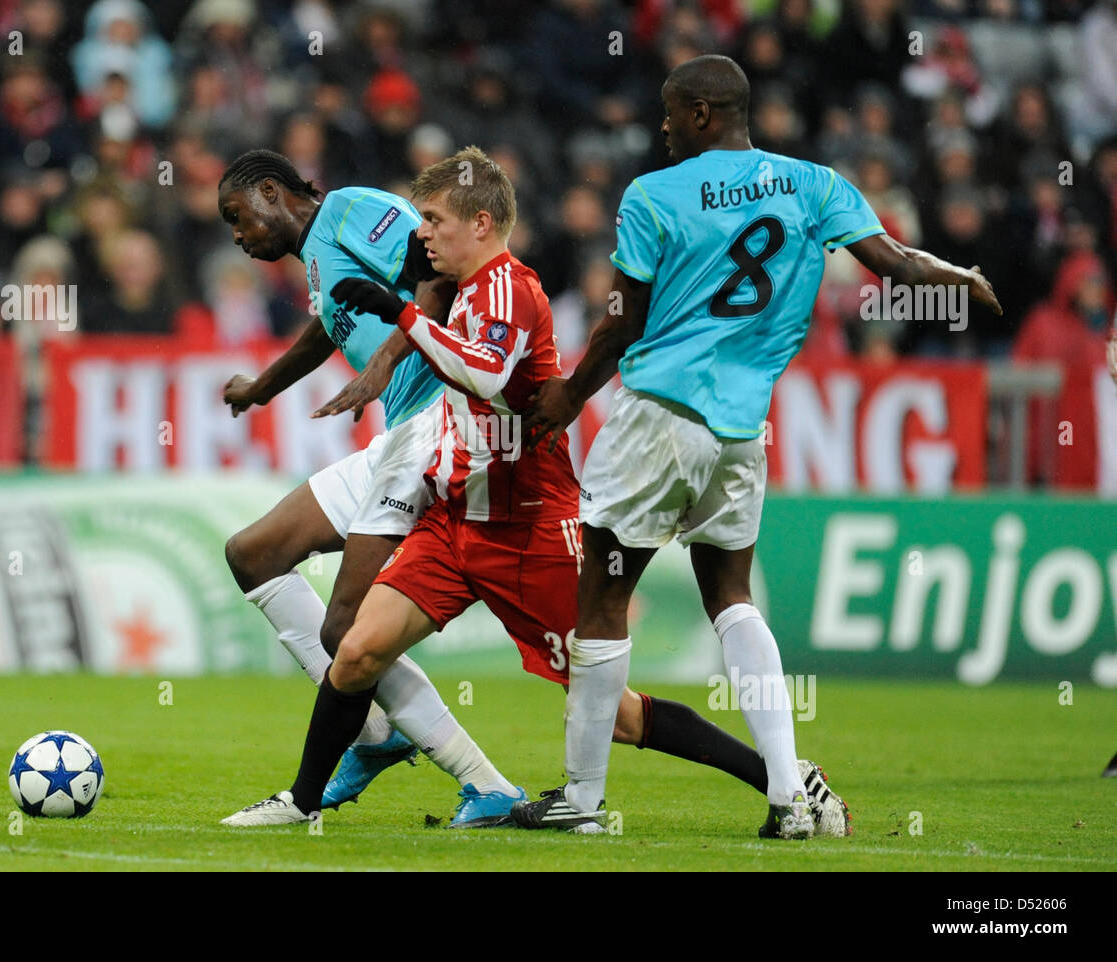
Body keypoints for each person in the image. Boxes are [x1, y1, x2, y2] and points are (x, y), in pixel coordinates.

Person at [215, 147, 851, 835]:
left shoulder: (456, 264)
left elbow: (452, 327)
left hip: (512, 513)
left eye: (432, 219)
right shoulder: (329, 264)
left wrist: (393, 347)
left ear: (478, 223)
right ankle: (326, 792)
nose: (422, 231)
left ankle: (785, 779)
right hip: (455, 495)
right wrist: (265, 387)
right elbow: (350, 318)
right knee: (344, 635)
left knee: (616, 712)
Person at [517, 55, 1001, 838]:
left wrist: (571, 394)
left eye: (674, 112)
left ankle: (581, 798)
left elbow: (624, 320)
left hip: (658, 419)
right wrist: (961, 278)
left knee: (602, 599)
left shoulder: (653, 194)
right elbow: (897, 266)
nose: (664, 126)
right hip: (741, 432)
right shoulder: (813, 183)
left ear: (705, 112)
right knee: (730, 597)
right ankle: (788, 794)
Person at [214, 150, 526, 828]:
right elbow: (330, 328)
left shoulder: (356, 210)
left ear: (272, 191)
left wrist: (383, 364)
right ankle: (377, 736)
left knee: (346, 630)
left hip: (434, 428)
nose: (238, 237)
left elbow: (432, 280)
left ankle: (477, 781)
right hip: (398, 439)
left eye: (238, 218)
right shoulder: (321, 258)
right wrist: (259, 390)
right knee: (255, 553)